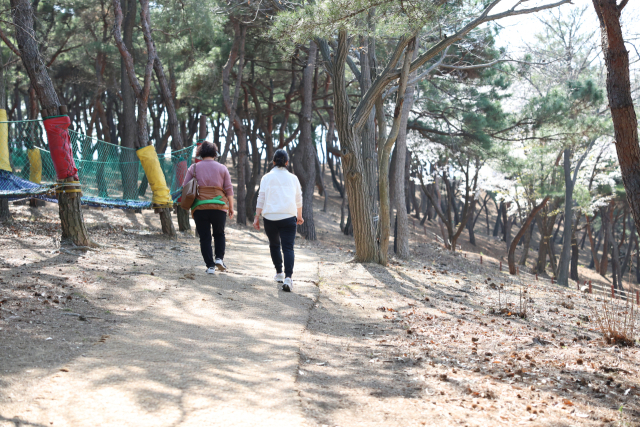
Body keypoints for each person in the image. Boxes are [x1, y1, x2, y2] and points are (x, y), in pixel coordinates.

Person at [253, 149, 303, 292]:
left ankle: (279, 273)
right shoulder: (293, 178)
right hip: (288, 217)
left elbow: (261, 198)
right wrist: (299, 216)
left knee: (274, 245)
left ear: (273, 162)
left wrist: (257, 217)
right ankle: (288, 278)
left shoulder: (266, 177)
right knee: (288, 247)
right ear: (287, 163)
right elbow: (298, 199)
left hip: (270, 218)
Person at [183, 141, 234, 274]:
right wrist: (231, 208)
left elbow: (185, 186)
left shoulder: (193, 168)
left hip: (200, 207)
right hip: (219, 207)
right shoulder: (222, 168)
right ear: (214, 153)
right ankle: (219, 258)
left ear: (200, 153)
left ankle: (210, 266)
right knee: (219, 234)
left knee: (205, 237)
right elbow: (229, 190)